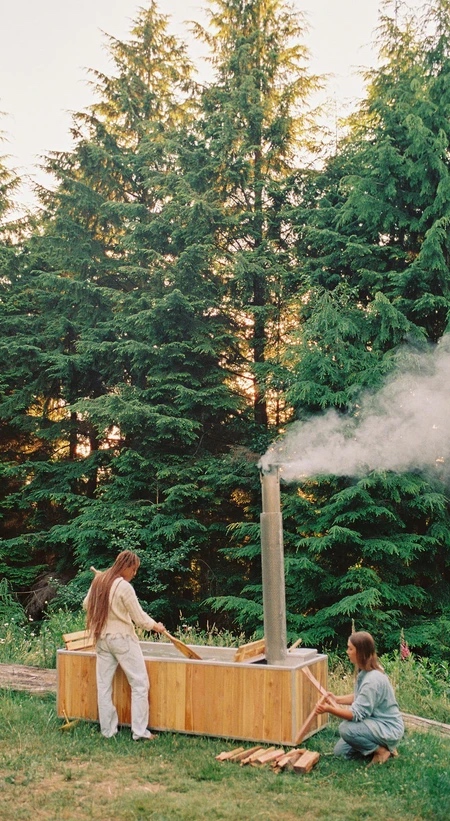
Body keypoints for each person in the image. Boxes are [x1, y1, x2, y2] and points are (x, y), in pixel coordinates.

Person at [83, 550, 165, 741]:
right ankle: (139, 732)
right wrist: (156, 626)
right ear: (126, 566)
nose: (134, 574)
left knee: (103, 686)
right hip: (122, 639)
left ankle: (108, 731)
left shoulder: (99, 581)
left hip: (102, 639)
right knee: (140, 683)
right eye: (134, 570)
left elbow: (87, 605)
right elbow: (139, 618)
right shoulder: (124, 587)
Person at [315, 631, 404, 764]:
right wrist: (336, 699)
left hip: (388, 727)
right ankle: (383, 746)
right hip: (374, 723)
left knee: (346, 729)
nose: (347, 652)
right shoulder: (365, 672)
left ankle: (381, 751)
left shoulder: (372, 680)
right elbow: (360, 697)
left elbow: (355, 715)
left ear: (361, 652)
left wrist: (328, 709)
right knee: (340, 752)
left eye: (350, 648)